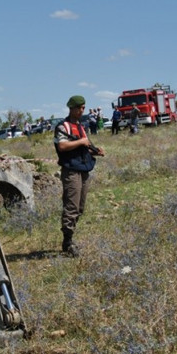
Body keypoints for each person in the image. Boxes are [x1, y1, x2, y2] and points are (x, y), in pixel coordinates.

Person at [54, 95, 105, 257]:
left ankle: (70, 237)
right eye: (80, 108)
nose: (82, 110)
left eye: (83, 107)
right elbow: (62, 146)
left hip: (84, 170)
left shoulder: (81, 126)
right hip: (71, 170)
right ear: (72, 108)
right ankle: (67, 241)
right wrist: (81, 142)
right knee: (71, 207)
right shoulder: (62, 127)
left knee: (80, 208)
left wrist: (96, 151)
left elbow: (87, 145)